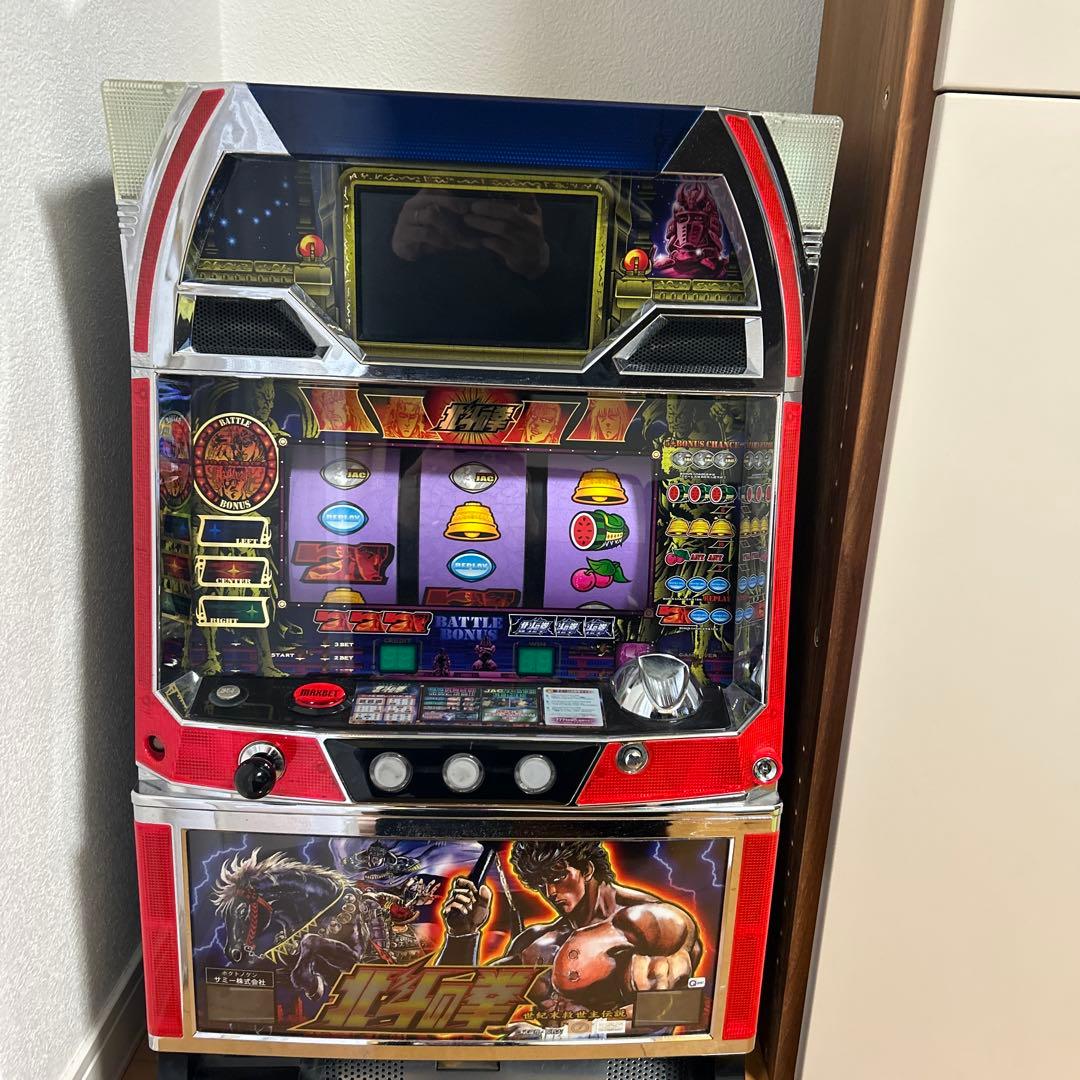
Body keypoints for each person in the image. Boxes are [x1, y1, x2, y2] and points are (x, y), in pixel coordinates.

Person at [436, 841, 701, 1016]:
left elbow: (669, 1012)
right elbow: (451, 1010)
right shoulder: (535, 942)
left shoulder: (651, 923)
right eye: (541, 884)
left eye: (556, 877)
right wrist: (462, 935)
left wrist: (574, 1032)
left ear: (586, 869)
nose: (550, 892)